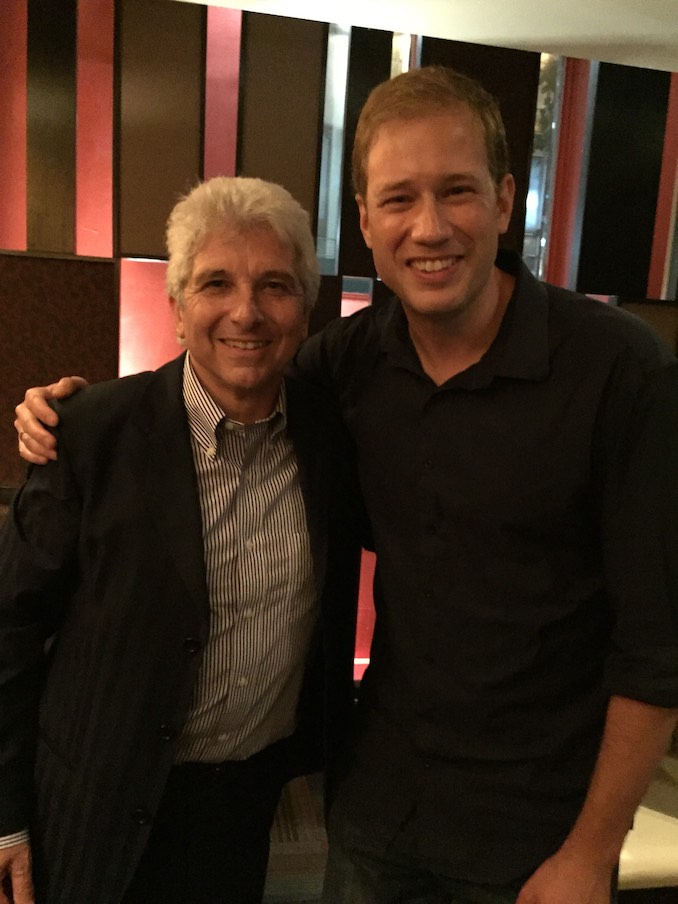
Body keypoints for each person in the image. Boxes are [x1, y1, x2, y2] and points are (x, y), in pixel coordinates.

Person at [14, 66, 678, 904]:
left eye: (458, 192)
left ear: (507, 200)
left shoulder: (622, 374)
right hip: (375, 811)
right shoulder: (349, 365)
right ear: (365, 220)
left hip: (536, 830)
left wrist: (593, 850)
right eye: (399, 198)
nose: (429, 226)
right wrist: (77, 416)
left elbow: (658, 647)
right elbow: (226, 371)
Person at [1, 176, 362, 904]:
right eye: (215, 283)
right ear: (174, 307)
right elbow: (7, 626)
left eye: (275, 285)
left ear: (307, 306)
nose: (246, 312)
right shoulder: (90, 432)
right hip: (88, 810)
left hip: (242, 808)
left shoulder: (336, 434)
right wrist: (5, 821)